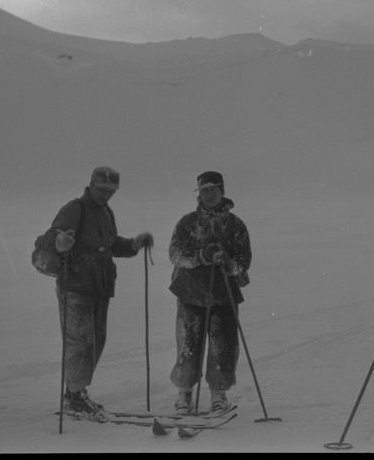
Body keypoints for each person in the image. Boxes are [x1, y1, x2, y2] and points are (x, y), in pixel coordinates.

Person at [38, 166, 153, 421]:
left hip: (100, 287)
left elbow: (109, 246)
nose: (106, 195)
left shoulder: (106, 212)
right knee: (81, 343)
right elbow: (52, 236)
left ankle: (77, 392)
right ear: (91, 184)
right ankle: (74, 396)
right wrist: (60, 242)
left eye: (111, 191)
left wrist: (133, 244)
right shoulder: (75, 208)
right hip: (75, 286)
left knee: (96, 341)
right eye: (102, 189)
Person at [168, 171, 253, 415]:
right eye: (203, 190)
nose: (208, 194)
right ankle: (184, 394)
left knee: (223, 348)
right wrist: (200, 257)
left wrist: (227, 262)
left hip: (224, 296)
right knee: (188, 346)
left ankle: (219, 395)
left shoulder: (236, 225)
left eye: (212, 189)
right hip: (190, 294)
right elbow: (175, 254)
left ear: (222, 190)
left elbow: (243, 264)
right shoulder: (187, 222)